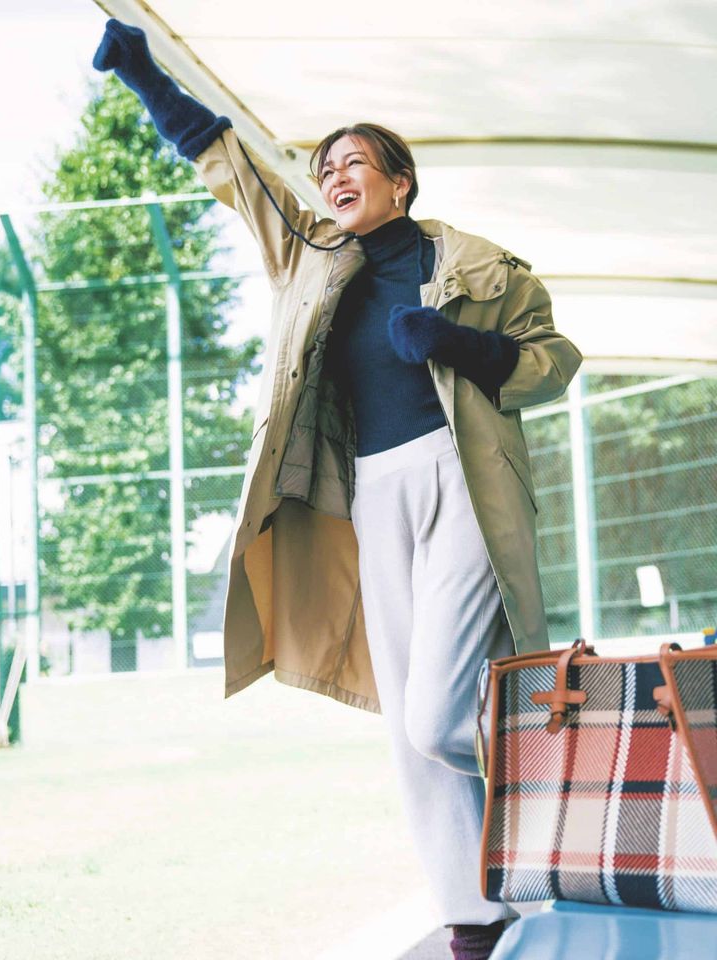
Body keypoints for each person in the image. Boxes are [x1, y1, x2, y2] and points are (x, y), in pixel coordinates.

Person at [93, 19, 583, 960]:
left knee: (440, 713)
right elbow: (231, 168)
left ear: (401, 182)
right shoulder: (310, 255)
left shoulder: (480, 265)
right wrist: (144, 76)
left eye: (355, 161)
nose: (334, 175)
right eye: (326, 168)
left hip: (464, 479)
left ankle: (552, 792)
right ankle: (473, 918)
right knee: (409, 725)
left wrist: (462, 345)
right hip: (370, 494)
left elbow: (553, 360)